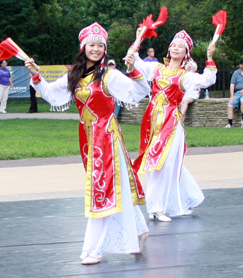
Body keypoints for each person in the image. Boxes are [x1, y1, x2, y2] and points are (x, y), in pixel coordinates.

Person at [25, 22, 150, 265]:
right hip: (88, 138)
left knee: (102, 190)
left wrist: (134, 70)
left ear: (105, 49)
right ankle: (138, 231)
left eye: (100, 45)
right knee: (114, 186)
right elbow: (52, 95)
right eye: (91, 45)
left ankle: (92, 249)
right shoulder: (74, 75)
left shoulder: (109, 75)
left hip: (106, 138)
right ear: (83, 48)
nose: (96, 48)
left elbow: (138, 93)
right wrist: (35, 75)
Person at [132, 29, 217, 222]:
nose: (176, 48)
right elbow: (134, 60)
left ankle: (156, 208)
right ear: (169, 49)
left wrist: (210, 57)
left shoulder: (184, 76)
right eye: (174, 45)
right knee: (166, 162)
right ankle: (190, 196)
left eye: (181, 46)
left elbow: (208, 80)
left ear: (186, 52)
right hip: (152, 121)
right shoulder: (156, 69)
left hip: (171, 122)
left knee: (163, 162)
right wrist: (139, 38)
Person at [224, 58, 243, 128]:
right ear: (240, 65)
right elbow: (232, 84)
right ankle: (230, 124)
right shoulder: (236, 73)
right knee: (230, 106)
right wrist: (232, 96)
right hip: (238, 92)